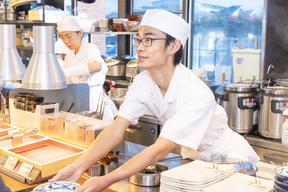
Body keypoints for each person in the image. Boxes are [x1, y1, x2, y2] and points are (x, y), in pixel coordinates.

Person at [51, 9, 259, 191]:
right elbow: (116, 128)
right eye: (139, 39)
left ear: (173, 46)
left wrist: (105, 180)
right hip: (197, 159)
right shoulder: (143, 82)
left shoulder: (196, 93)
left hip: (231, 160)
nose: (140, 47)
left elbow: (160, 149)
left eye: (149, 40)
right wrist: (78, 166)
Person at [57, 16, 117, 120]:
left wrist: (66, 72)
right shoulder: (69, 56)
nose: (66, 41)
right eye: (62, 37)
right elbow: (68, 83)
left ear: (79, 33)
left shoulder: (90, 48)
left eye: (68, 36)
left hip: (96, 104)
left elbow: (97, 66)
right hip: (79, 103)